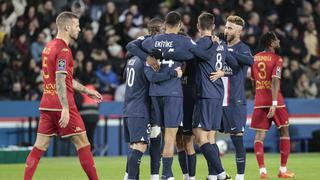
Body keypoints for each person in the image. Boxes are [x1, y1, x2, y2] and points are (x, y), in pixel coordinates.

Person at [24, 11, 102, 180]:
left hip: (46, 103)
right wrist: (65, 108)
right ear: (67, 27)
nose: (79, 29)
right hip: (62, 104)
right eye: (77, 25)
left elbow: (63, 78)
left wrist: (87, 90)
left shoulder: (49, 46)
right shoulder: (64, 50)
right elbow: (60, 79)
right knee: (83, 144)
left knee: (39, 146)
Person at [211, 15, 254, 180]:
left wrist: (224, 49)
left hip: (234, 101)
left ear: (239, 30)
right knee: (209, 137)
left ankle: (240, 176)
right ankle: (217, 173)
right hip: (215, 99)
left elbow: (248, 62)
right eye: (226, 27)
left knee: (237, 139)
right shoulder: (219, 46)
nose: (226, 30)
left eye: (230, 28)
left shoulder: (242, 48)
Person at [251, 32, 295, 178]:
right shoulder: (277, 59)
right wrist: (274, 103)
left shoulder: (255, 58)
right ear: (271, 42)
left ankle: (262, 171)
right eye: (276, 39)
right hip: (276, 101)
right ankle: (283, 170)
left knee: (259, 135)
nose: (279, 41)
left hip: (259, 100)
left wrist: (258, 95)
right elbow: (275, 80)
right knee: (284, 132)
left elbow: (252, 81)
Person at [125, 17, 164, 180]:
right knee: (140, 146)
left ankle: (133, 176)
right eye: (164, 29)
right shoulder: (148, 58)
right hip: (141, 108)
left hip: (130, 107)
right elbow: (153, 80)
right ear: (157, 30)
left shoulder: (131, 58)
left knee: (140, 144)